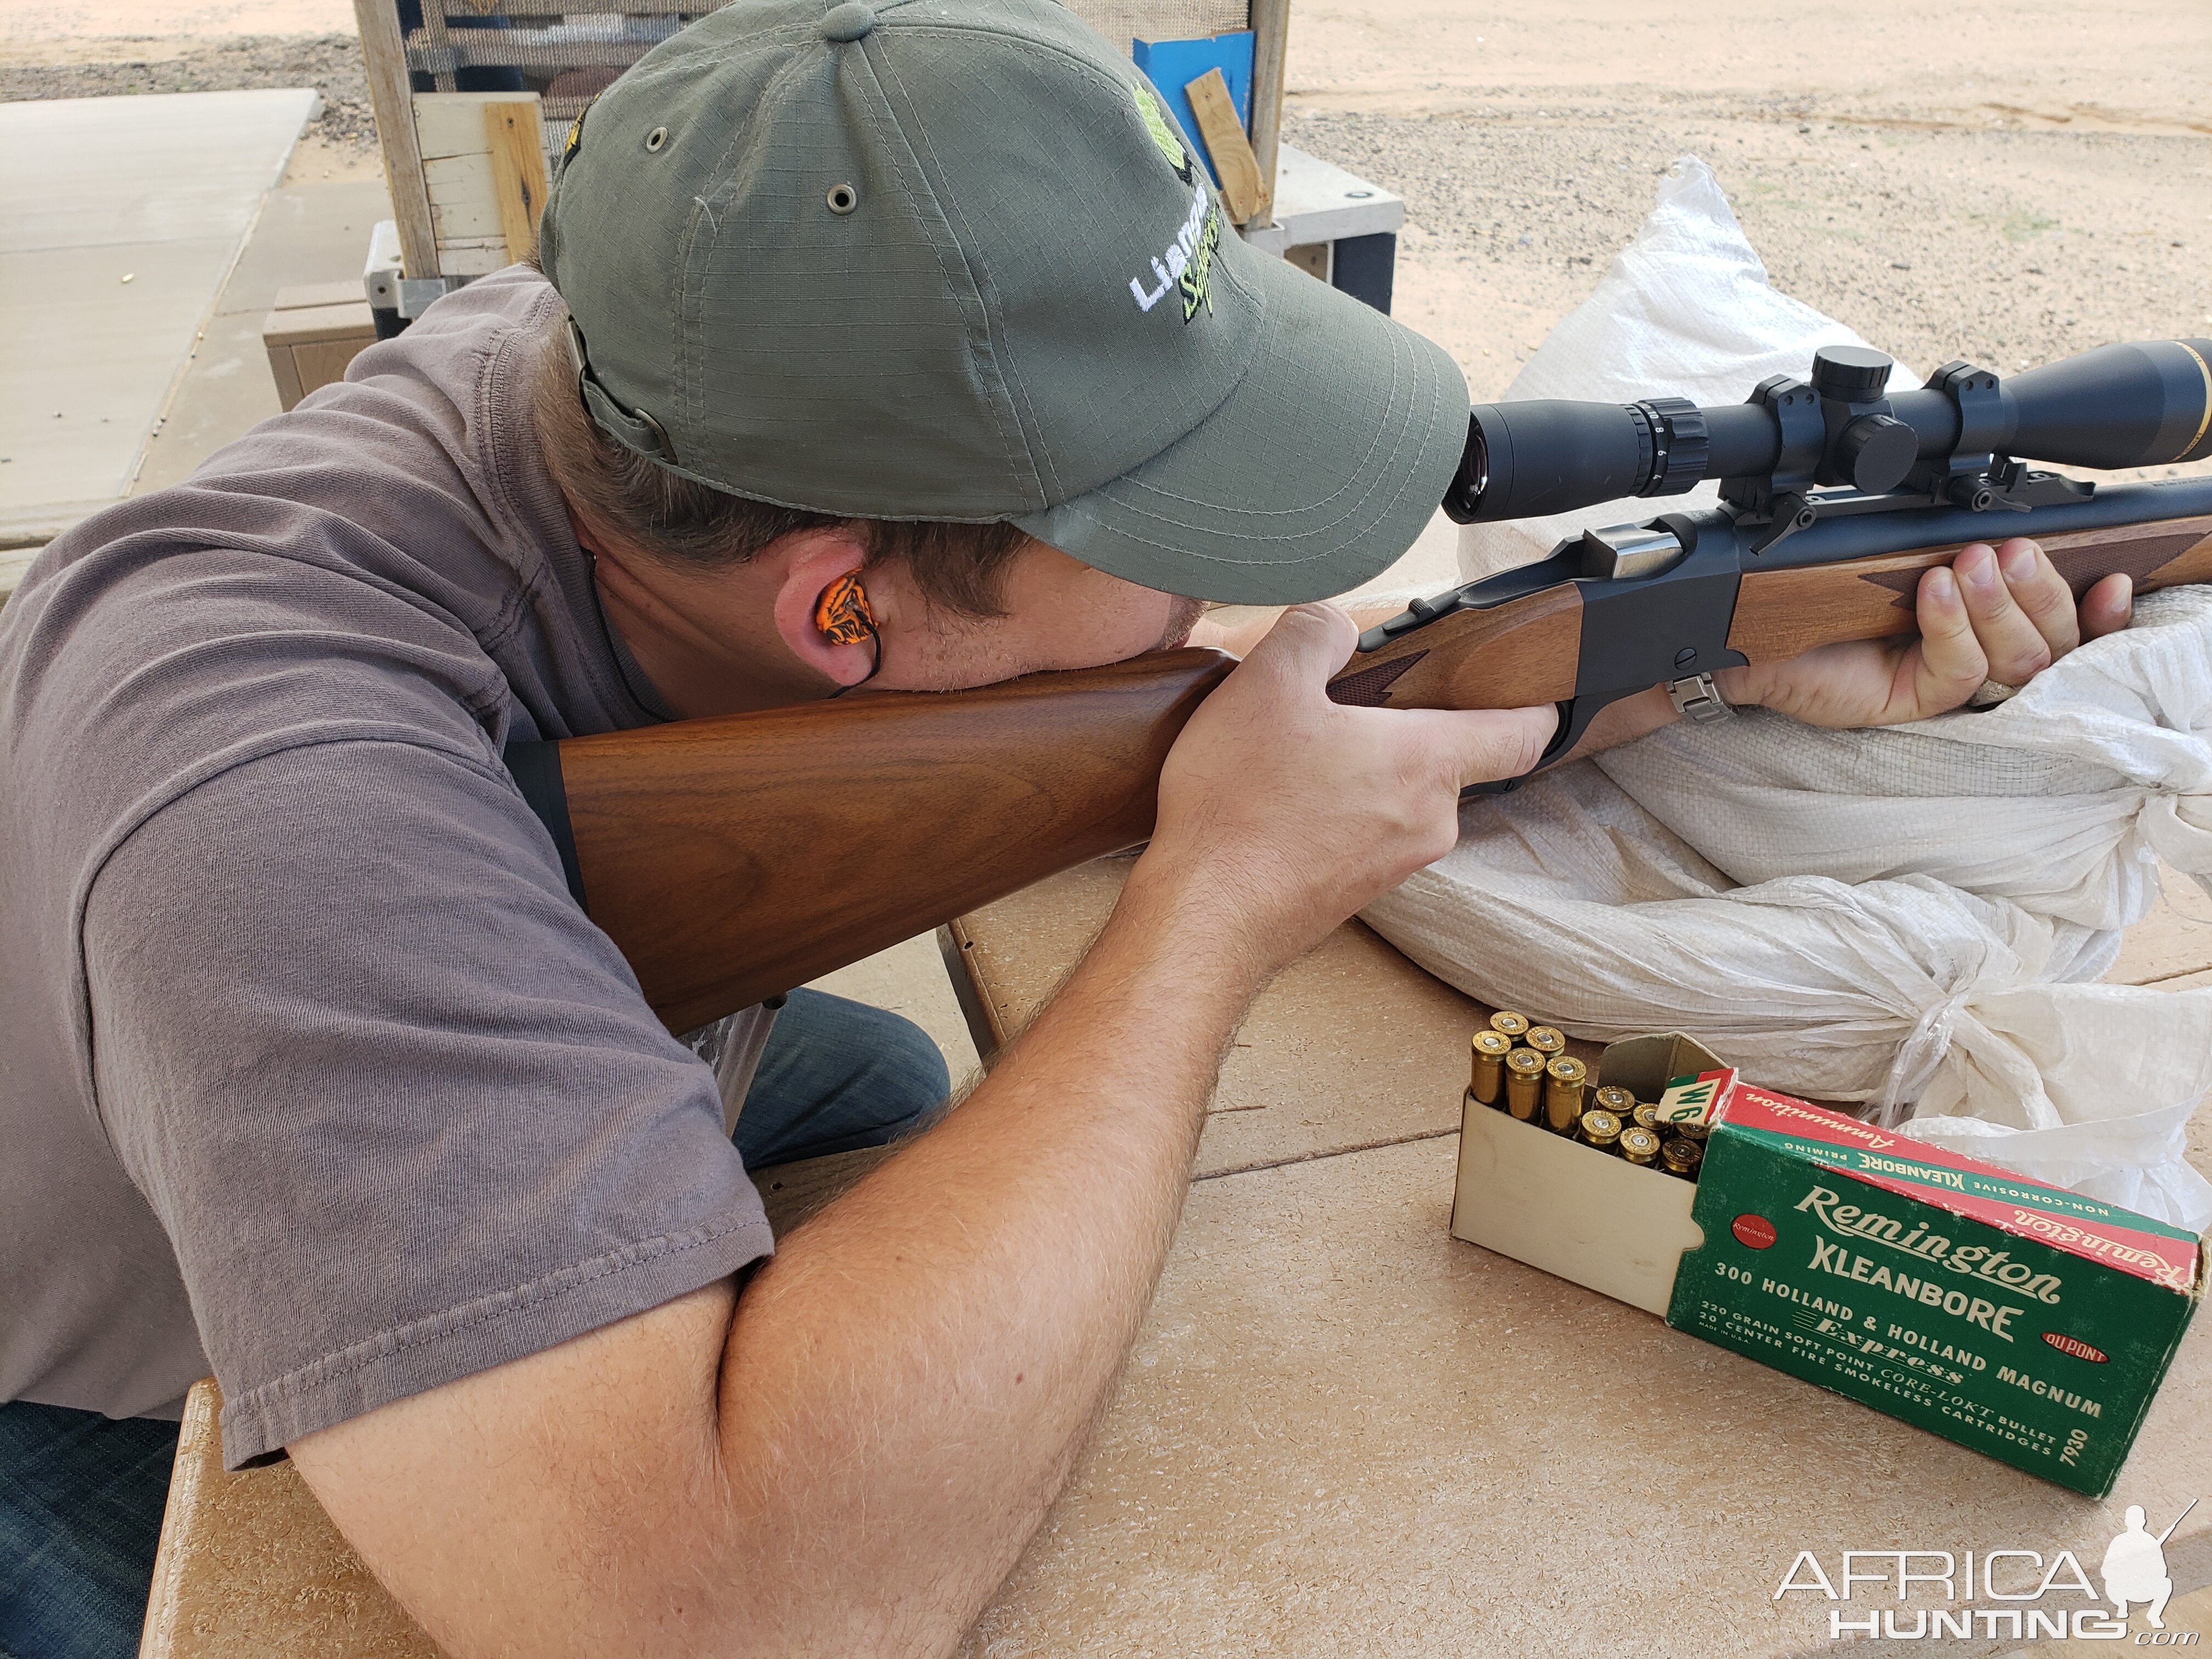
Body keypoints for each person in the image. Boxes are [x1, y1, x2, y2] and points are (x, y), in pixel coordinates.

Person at [0, 1, 2131, 1654]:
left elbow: (1251, 712)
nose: (1218, 605)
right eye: (1167, 538)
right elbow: (726, 1610)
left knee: (899, 1083)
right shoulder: (280, 804)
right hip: (96, 1377)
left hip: (407, 1026)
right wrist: (1208, 909)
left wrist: (1719, 671)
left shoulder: (652, 364)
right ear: (840, 605)